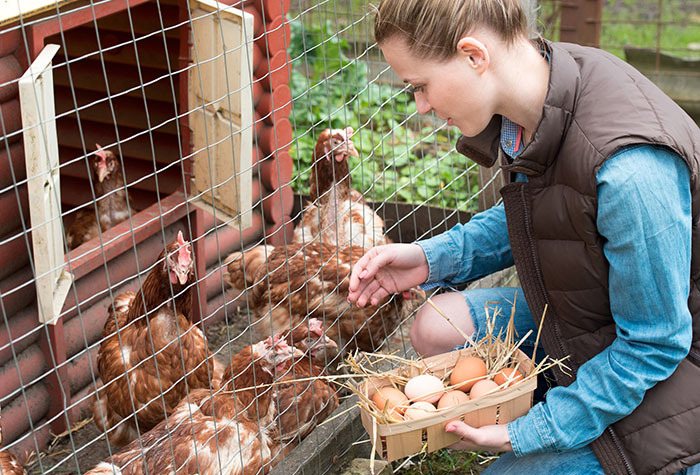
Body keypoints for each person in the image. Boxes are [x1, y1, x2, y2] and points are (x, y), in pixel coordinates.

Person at [346, 0, 700, 474]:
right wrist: (431, 258)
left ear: (474, 56)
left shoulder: (630, 170)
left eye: (421, 86)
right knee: (436, 326)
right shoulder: (542, 91)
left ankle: (574, 420)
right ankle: (561, 403)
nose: (422, 106)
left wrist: (526, 433)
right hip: (598, 316)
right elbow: (548, 211)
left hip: (675, 373)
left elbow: (654, 345)